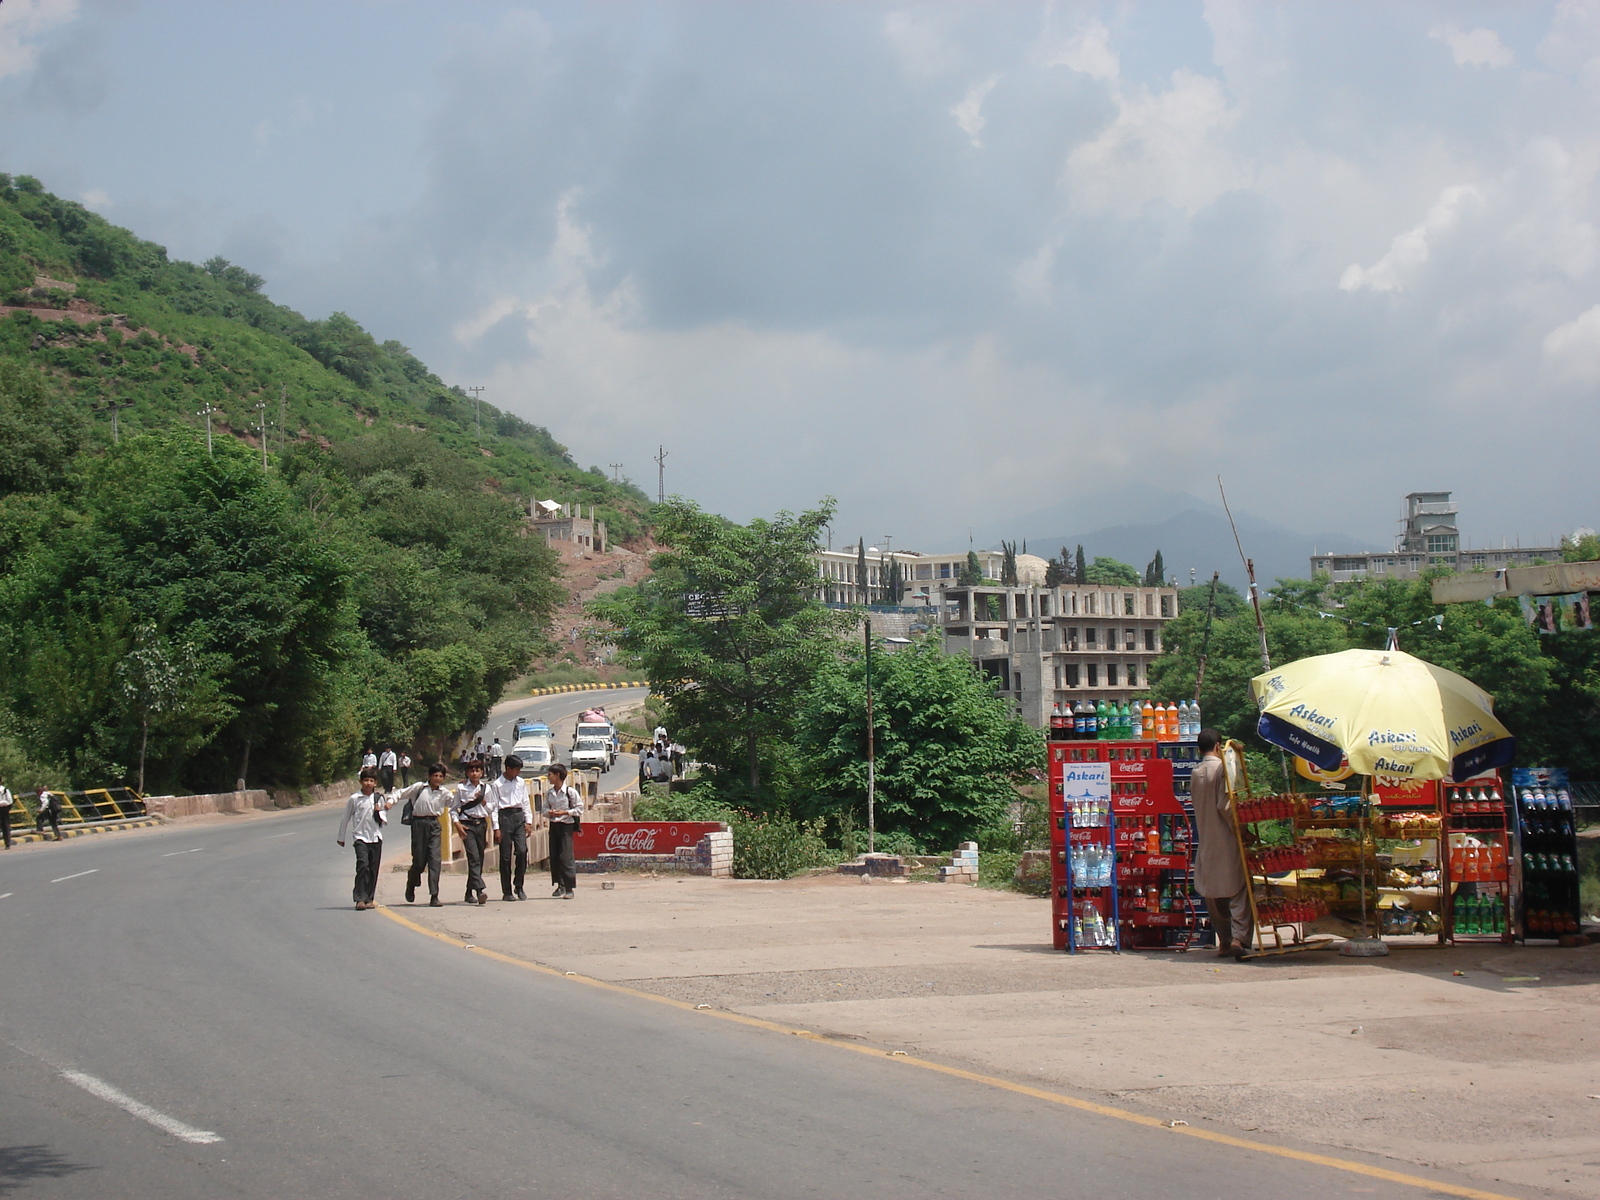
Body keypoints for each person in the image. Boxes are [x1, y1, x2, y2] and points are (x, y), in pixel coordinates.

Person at [1191, 728, 1251, 959]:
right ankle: (1239, 937)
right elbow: (1225, 806)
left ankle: (1224, 941)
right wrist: (1243, 831)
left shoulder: (1196, 772)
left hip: (1206, 839)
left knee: (1213, 894)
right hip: (1226, 838)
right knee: (1238, 890)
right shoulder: (1222, 770)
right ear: (1218, 747)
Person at [394, 764, 453, 907]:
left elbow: (457, 804)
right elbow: (400, 793)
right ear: (429, 776)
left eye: (440, 776)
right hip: (419, 825)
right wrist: (390, 802)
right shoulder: (419, 788)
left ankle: (434, 895)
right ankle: (412, 882)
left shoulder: (444, 793)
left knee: (435, 860)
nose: (437, 779)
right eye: (435, 776)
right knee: (419, 861)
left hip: (434, 825)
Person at [336, 769, 395, 910]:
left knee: (373, 869)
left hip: (375, 837)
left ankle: (369, 898)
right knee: (363, 866)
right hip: (360, 837)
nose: (368, 783)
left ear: (375, 783)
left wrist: (378, 812)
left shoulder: (379, 798)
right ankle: (359, 898)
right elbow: (346, 817)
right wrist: (341, 837)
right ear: (361, 782)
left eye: (371, 781)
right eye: (366, 780)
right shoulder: (355, 798)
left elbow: (383, 821)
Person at [488, 754, 533, 901]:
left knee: (522, 850)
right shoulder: (497, 785)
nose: (518, 772)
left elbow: (525, 801)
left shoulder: (520, 782)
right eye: (516, 769)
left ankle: (519, 885)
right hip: (504, 817)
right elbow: (494, 806)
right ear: (508, 768)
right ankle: (506, 890)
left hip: (518, 816)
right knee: (505, 856)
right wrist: (496, 827)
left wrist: (528, 821)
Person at [452, 760, 491, 905]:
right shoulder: (461, 788)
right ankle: (480, 890)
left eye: (477, 771)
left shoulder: (486, 789)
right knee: (473, 857)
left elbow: (492, 808)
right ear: (467, 773)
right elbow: (454, 808)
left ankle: (469, 892)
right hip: (467, 825)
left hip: (481, 824)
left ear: (482, 772)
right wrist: (457, 824)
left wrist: (483, 802)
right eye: (472, 771)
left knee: (479, 859)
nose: (474, 773)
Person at [544, 763, 583, 899]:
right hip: (554, 825)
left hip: (566, 825)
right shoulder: (549, 793)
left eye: (550, 774)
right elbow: (543, 810)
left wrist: (565, 812)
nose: (548, 777)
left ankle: (569, 887)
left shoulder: (570, 792)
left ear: (557, 775)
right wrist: (550, 813)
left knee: (566, 856)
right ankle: (559, 884)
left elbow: (579, 808)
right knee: (554, 856)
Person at [0, 774, 13, 849]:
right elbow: (10, 800)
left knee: (5, 826)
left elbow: (9, 801)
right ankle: (7, 843)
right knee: (5, 826)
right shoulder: (5, 789)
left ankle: (7, 843)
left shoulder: (5, 790)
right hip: (4, 808)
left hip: (4, 809)